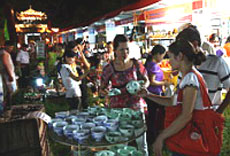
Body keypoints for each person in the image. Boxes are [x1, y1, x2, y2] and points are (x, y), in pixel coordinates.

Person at [139, 39, 211, 156]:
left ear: (180, 56)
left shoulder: (190, 79)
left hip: (192, 138)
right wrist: (148, 95)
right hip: (185, 137)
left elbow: (186, 115)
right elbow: (173, 101)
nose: (169, 62)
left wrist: (161, 137)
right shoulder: (186, 76)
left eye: (171, 57)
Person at [100, 34, 150, 155]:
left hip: (136, 107)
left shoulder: (135, 64)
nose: (125, 52)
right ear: (115, 50)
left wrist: (144, 86)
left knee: (141, 142)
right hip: (117, 111)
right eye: (121, 49)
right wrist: (104, 92)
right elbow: (101, 89)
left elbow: (146, 79)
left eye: (127, 49)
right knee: (120, 144)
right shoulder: (109, 68)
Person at [176, 26, 230, 113]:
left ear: (194, 44)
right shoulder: (184, 64)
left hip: (208, 117)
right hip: (189, 117)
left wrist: (218, 112)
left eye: (182, 47)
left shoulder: (217, 62)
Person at [144, 44, 171, 152]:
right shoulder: (153, 65)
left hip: (152, 94)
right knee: (154, 117)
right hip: (154, 94)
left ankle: (153, 136)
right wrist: (165, 82)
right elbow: (152, 81)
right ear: (158, 54)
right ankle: (154, 137)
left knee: (152, 117)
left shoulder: (151, 63)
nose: (163, 58)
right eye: (163, 55)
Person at [0, 40, 17, 113]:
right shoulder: (5, 54)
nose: (11, 49)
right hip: (7, 75)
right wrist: (10, 75)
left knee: (8, 91)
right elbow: (6, 64)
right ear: (7, 46)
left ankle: (6, 106)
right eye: (11, 47)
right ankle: (8, 106)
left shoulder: (4, 53)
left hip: (6, 75)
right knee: (9, 91)